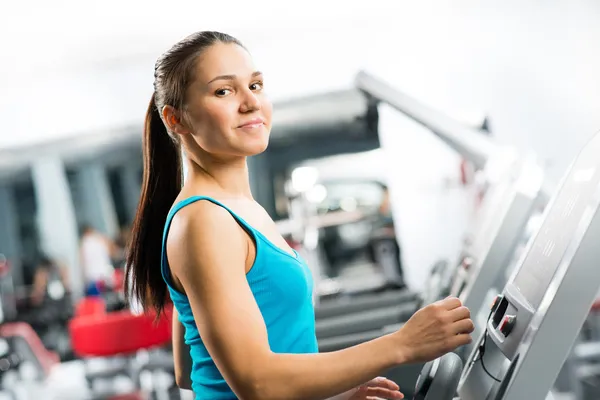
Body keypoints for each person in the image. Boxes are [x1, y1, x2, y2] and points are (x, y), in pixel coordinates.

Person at [125, 31, 475, 400]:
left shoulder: (237, 210)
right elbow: (257, 383)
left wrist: (335, 394)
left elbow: (191, 370)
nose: (250, 102)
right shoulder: (204, 221)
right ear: (176, 119)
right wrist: (402, 345)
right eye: (224, 91)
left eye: (256, 85)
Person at [79, 224, 117, 294]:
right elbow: (112, 252)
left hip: (92, 277)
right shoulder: (100, 239)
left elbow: (82, 263)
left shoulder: (83, 244)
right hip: (105, 274)